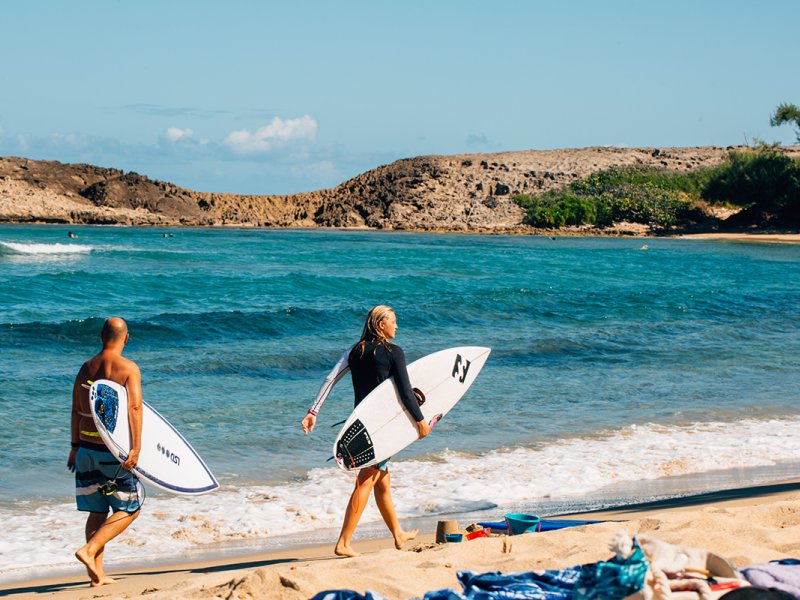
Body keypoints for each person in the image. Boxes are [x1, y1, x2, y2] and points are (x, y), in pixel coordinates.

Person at [301, 305, 431, 557]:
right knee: (366, 480)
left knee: (382, 480)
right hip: (382, 428)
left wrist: (313, 411)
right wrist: (420, 420)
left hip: (360, 424)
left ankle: (398, 533)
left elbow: (330, 379)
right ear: (380, 324)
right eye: (393, 321)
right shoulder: (394, 352)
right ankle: (344, 542)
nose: (396, 326)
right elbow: (406, 392)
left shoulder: (354, 351)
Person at [68, 317, 143, 587]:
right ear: (126, 338)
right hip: (112, 453)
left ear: (101, 336)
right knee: (130, 509)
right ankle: (88, 551)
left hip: (86, 450)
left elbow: (76, 410)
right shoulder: (128, 368)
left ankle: (96, 574)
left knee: (98, 511)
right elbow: (134, 408)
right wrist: (135, 448)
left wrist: (74, 447)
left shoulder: (86, 367)